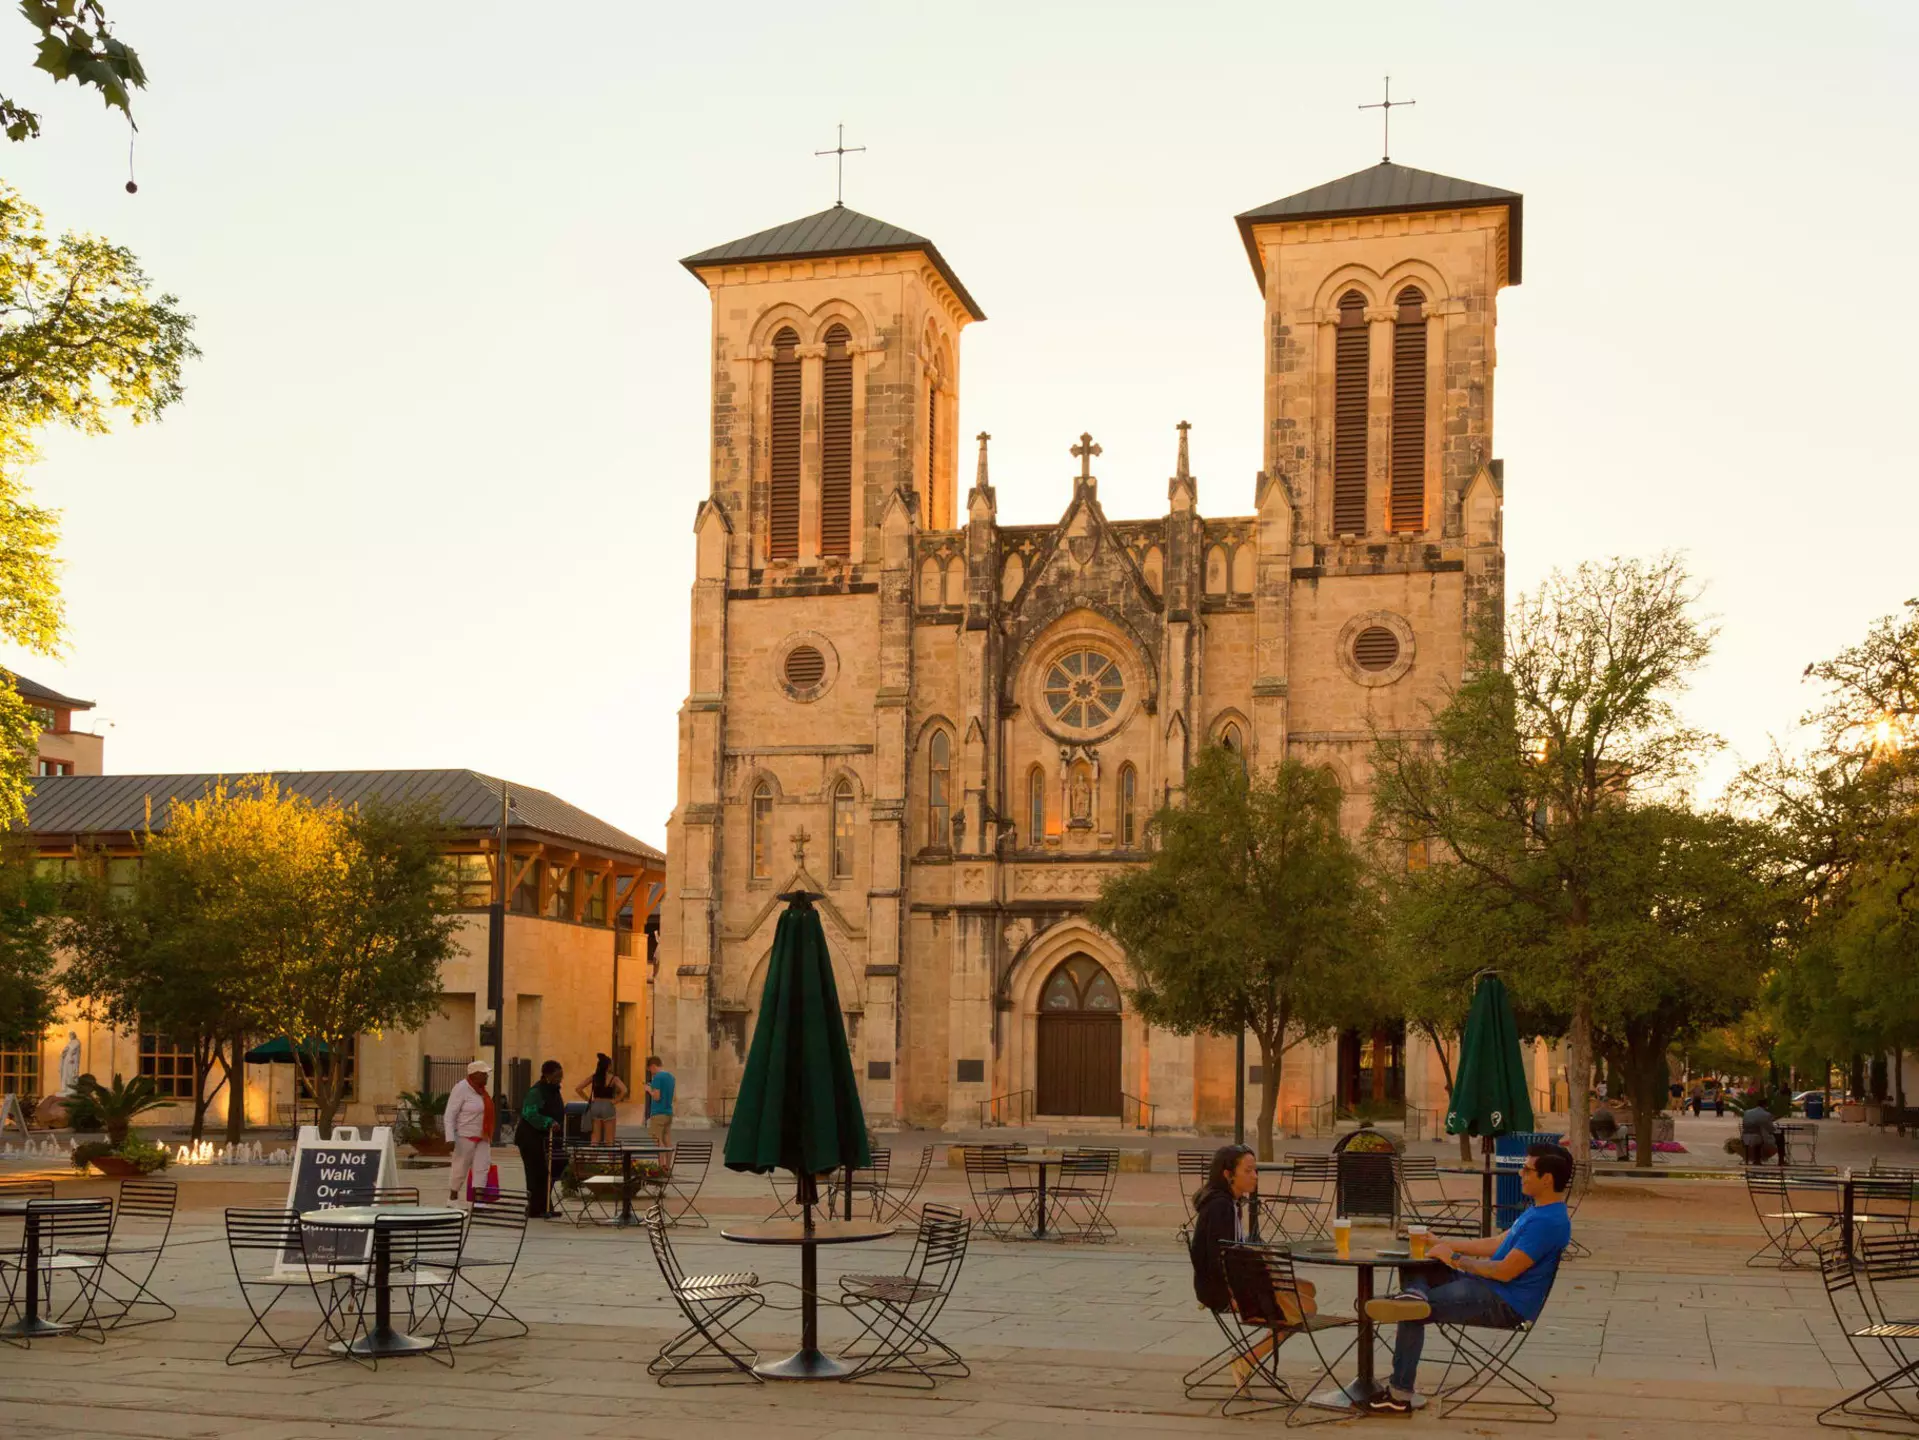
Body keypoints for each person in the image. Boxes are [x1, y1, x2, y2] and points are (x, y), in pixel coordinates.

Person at [1363, 1143, 1574, 1413]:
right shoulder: (1538, 1211)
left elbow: (1505, 1270)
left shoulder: (1548, 1222)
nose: (1520, 1173)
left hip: (1505, 1304)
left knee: (1409, 1311)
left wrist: (1453, 1260)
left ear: (1546, 1179)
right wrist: (1444, 1245)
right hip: (1489, 1288)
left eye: (1527, 1169)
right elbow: (1497, 1243)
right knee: (1418, 1262)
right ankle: (1415, 1296)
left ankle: (1399, 1395)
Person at [517, 1060, 565, 1218]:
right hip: (531, 1138)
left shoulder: (554, 1091)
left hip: (548, 1139)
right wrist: (548, 1122)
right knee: (536, 1172)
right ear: (547, 1075)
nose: (560, 1078)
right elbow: (530, 1114)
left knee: (552, 1169)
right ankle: (535, 1207)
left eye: (561, 1075)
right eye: (557, 1075)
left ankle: (545, 1204)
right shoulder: (536, 1092)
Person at [444, 1060, 496, 1205]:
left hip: (483, 1136)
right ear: (474, 1075)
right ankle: (452, 1198)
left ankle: (478, 1200)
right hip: (464, 1136)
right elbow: (450, 1114)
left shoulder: (482, 1092)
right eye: (484, 1074)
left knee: (482, 1167)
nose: (487, 1077)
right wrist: (449, 1137)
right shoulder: (461, 1088)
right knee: (460, 1168)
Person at [576, 1053, 628, 1146]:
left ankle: (593, 1159)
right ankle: (610, 1159)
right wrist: (616, 1100)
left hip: (595, 1105)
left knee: (595, 1138)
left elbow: (578, 1088)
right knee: (609, 1140)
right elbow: (624, 1090)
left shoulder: (594, 1077)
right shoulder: (613, 1078)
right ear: (608, 1066)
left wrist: (589, 1099)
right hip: (608, 1105)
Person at [644, 1056, 675, 1148]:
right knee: (667, 1140)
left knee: (657, 1140)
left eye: (650, 1070)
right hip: (668, 1112)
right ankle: (668, 1162)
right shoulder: (670, 1077)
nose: (651, 1073)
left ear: (653, 1066)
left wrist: (649, 1089)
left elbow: (657, 1097)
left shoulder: (657, 1077)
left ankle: (662, 1162)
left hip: (658, 1113)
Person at [1741, 1098, 1778, 1166]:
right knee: (1778, 1139)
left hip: (1745, 1136)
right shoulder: (1766, 1114)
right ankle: (1781, 1160)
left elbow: (1744, 1125)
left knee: (1760, 1137)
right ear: (1765, 1105)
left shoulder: (1747, 1112)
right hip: (1757, 1137)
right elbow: (1771, 1129)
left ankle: (1755, 1160)